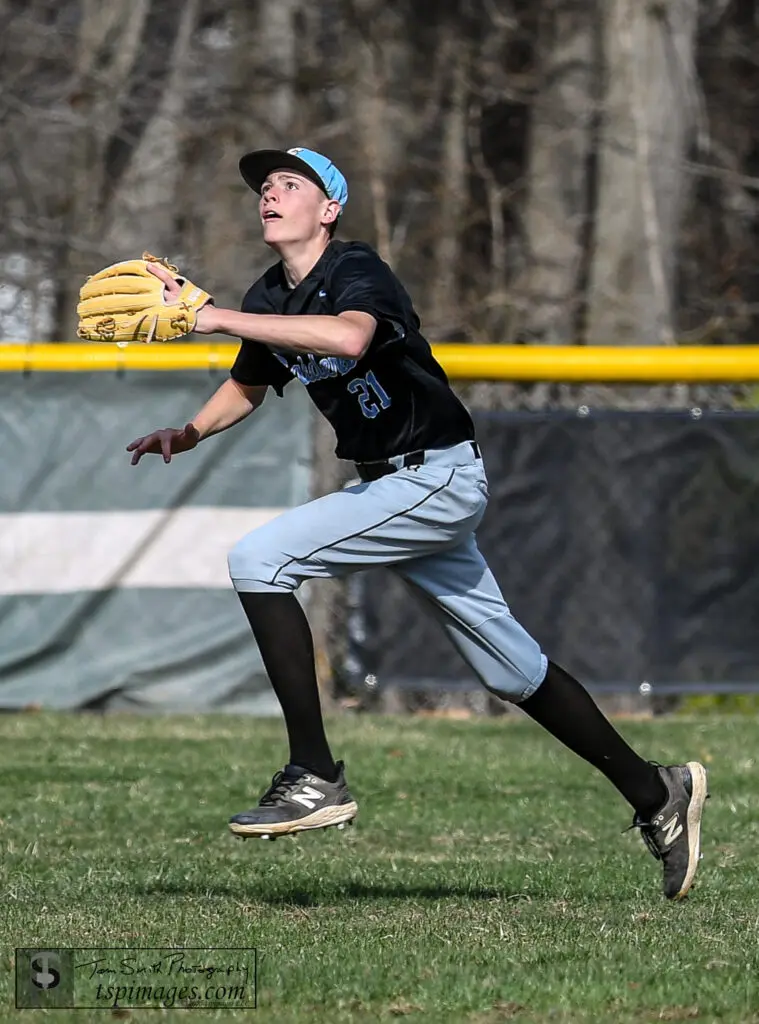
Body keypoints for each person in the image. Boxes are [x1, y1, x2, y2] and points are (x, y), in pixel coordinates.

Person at [127, 147, 708, 900]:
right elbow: (250, 379)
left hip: (432, 477)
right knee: (511, 670)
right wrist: (191, 431)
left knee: (259, 559)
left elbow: (348, 338)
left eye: (288, 184)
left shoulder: (355, 269)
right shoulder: (270, 293)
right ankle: (656, 793)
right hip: (397, 488)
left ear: (327, 210)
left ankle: (313, 772)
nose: (269, 193)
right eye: (263, 186)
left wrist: (204, 316)